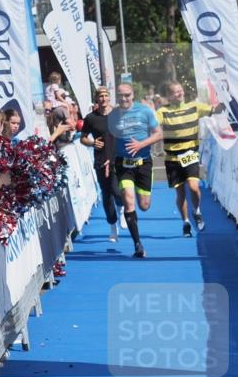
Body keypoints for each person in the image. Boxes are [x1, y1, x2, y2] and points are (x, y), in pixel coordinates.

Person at [108, 82, 163, 258]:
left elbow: (158, 134)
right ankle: (138, 244)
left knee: (144, 205)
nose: (123, 98)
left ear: (133, 95)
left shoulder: (145, 111)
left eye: (127, 95)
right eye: (120, 95)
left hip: (143, 163)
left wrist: (141, 144)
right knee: (128, 201)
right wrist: (108, 159)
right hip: (123, 164)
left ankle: (137, 227)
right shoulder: (113, 115)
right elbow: (111, 138)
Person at [156, 81, 210, 237]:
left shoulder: (195, 107)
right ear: (169, 96)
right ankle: (186, 222)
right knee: (180, 194)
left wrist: (226, 102)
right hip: (172, 159)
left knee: (194, 187)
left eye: (180, 90)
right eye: (175, 92)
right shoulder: (163, 111)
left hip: (191, 155)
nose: (179, 93)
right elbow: (153, 122)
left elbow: (215, 110)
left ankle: (197, 211)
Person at [80, 86, 124, 242]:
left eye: (106, 95)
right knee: (106, 194)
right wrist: (92, 143)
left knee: (117, 192)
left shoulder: (118, 114)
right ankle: (113, 227)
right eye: (101, 96)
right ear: (96, 99)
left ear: (109, 97)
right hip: (100, 159)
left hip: (118, 158)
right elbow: (82, 138)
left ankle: (121, 210)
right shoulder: (91, 118)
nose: (104, 98)